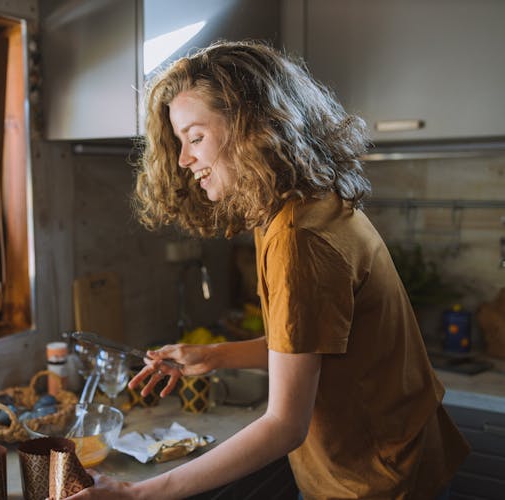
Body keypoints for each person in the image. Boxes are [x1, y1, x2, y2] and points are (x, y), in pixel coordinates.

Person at [67, 40, 469, 500]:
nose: (183, 160)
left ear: (252, 126)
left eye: (195, 137)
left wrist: (138, 494)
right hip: (396, 453)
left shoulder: (298, 237)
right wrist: (216, 357)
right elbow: (316, 342)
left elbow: (283, 426)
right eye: (180, 142)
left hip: (373, 478)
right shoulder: (298, 202)